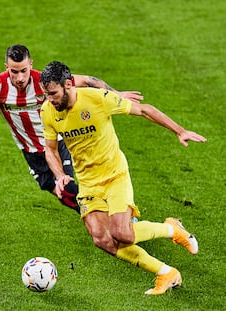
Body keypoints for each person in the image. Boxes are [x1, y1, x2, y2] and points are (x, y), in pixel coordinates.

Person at [40, 61, 207, 295]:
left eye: (53, 94)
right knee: (102, 239)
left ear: (68, 85)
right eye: (46, 95)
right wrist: (59, 176)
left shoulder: (97, 99)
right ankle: (166, 272)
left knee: (122, 234)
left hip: (114, 175)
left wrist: (179, 131)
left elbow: (145, 110)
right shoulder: (48, 111)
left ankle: (173, 229)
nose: (50, 100)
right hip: (88, 183)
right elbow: (50, 148)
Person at [0, 44, 143, 213]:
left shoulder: (44, 82)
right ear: (6, 67)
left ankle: (119, 216)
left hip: (57, 142)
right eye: (14, 71)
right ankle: (106, 216)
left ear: (31, 65)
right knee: (64, 196)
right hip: (30, 152)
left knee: (71, 187)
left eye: (24, 70)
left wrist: (118, 94)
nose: (19, 77)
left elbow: (88, 80)